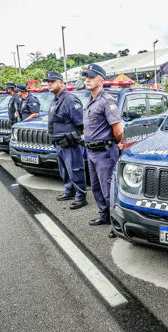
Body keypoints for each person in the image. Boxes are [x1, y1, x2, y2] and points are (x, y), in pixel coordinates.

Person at [82, 64, 124, 230]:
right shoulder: (90, 101)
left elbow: (118, 130)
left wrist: (114, 142)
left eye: (91, 77)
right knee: (96, 187)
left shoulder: (107, 100)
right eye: (86, 77)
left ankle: (116, 224)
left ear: (101, 80)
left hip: (104, 152)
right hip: (91, 151)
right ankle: (103, 216)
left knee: (108, 189)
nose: (87, 80)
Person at [44, 72, 88, 209]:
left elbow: (81, 124)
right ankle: (69, 191)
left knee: (75, 169)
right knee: (65, 171)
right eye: (48, 81)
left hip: (70, 143)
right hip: (59, 144)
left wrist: (75, 138)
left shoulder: (70, 99)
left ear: (61, 83)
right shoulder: (56, 99)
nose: (49, 84)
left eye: (52, 81)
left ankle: (81, 197)